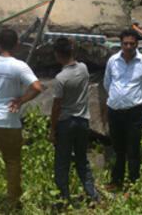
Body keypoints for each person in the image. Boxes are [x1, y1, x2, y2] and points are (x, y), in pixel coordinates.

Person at [0, 29, 42, 211]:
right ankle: (13, 204)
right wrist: (21, 100)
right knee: (12, 163)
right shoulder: (19, 66)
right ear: (16, 45)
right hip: (9, 122)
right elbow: (36, 87)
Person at [103, 29, 142, 190]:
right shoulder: (113, 61)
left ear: (137, 44)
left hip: (133, 112)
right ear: (120, 44)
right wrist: (117, 97)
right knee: (118, 149)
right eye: (125, 43)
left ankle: (133, 185)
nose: (128, 47)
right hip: (114, 110)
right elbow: (107, 83)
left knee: (133, 150)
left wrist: (140, 101)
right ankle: (116, 181)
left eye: (131, 44)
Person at [49, 38, 99, 209]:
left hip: (65, 123)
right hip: (82, 121)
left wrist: (52, 129)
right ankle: (92, 195)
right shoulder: (83, 68)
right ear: (72, 51)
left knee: (62, 163)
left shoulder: (61, 78)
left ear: (57, 55)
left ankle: (63, 200)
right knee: (81, 160)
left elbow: (56, 107)